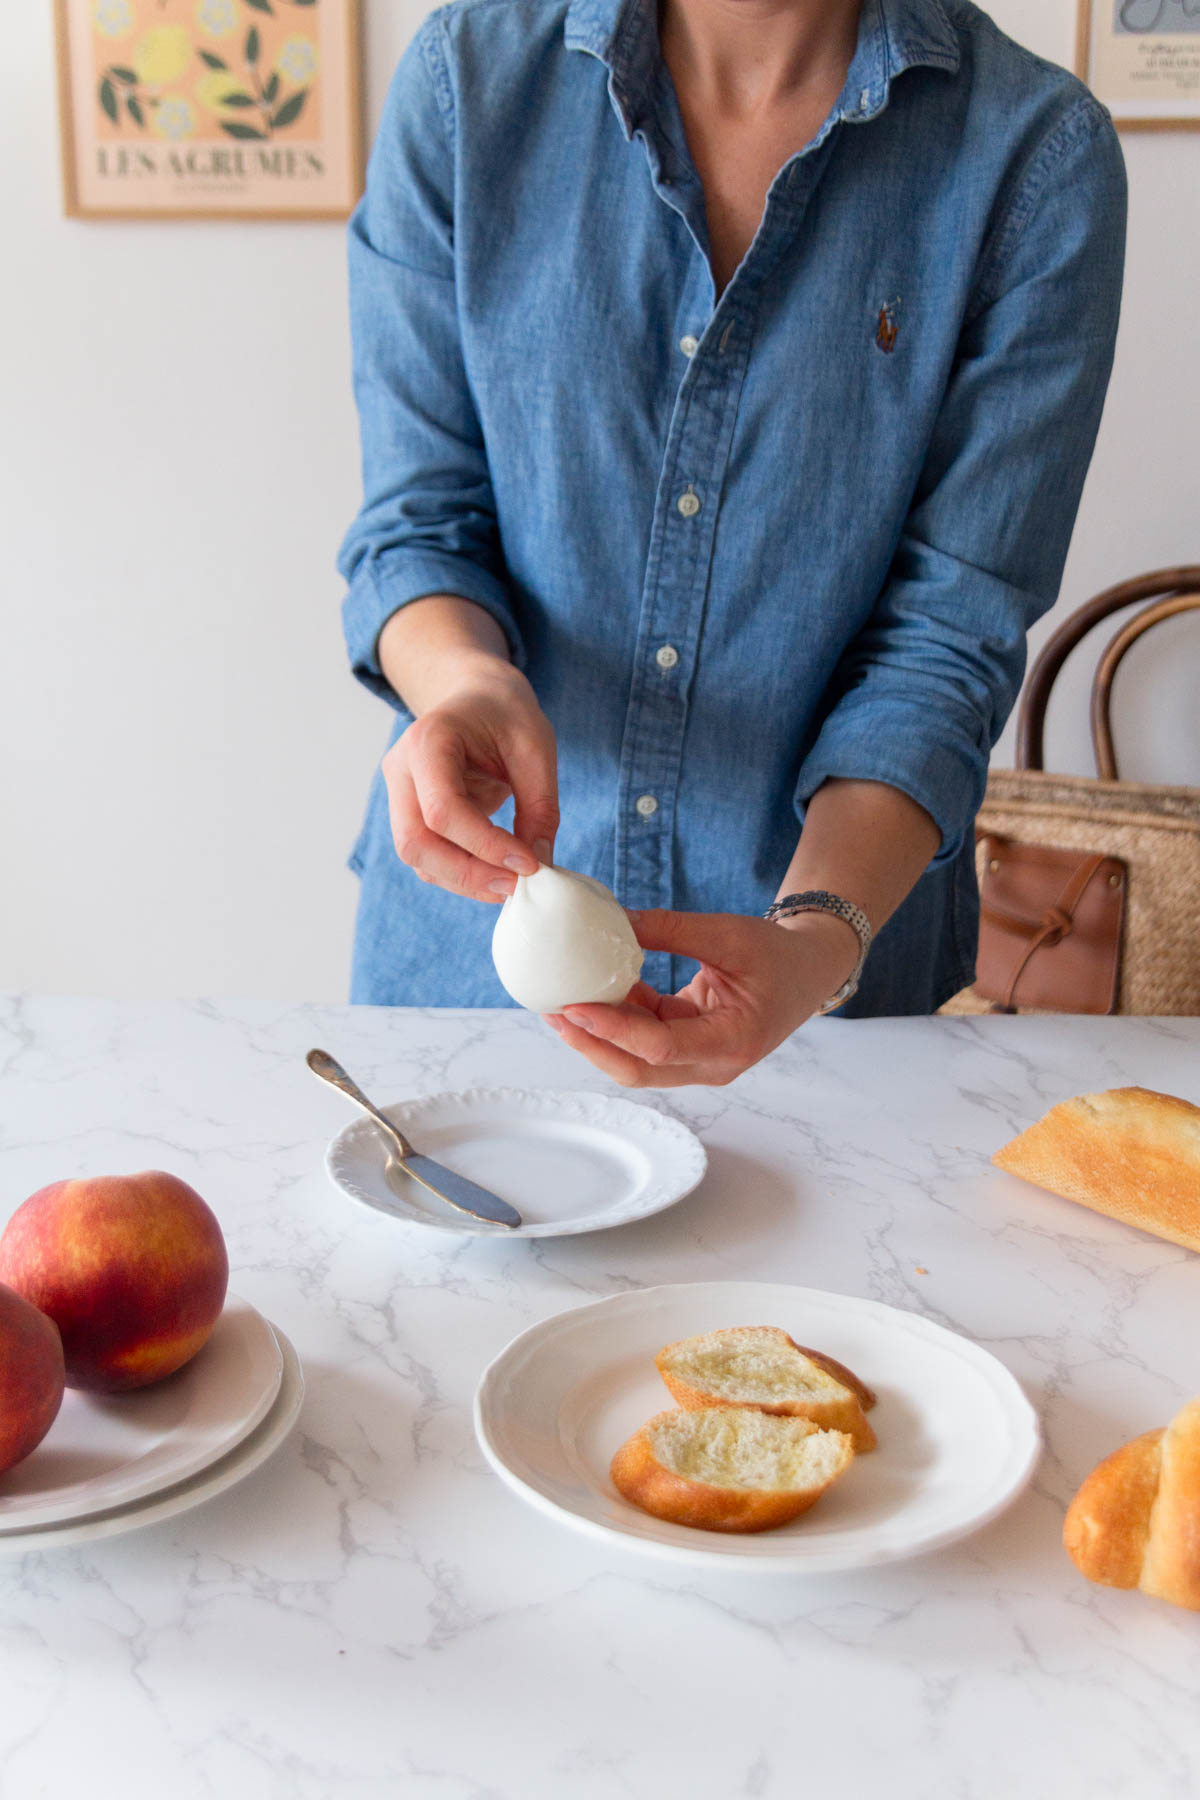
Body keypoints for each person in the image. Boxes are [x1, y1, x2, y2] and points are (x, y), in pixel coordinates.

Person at [337, 0, 1126, 1089]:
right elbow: (420, 524)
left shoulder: (1037, 158)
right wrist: (464, 683)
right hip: (463, 990)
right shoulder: (465, 85)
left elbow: (948, 640)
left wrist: (814, 936)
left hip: (827, 1020)